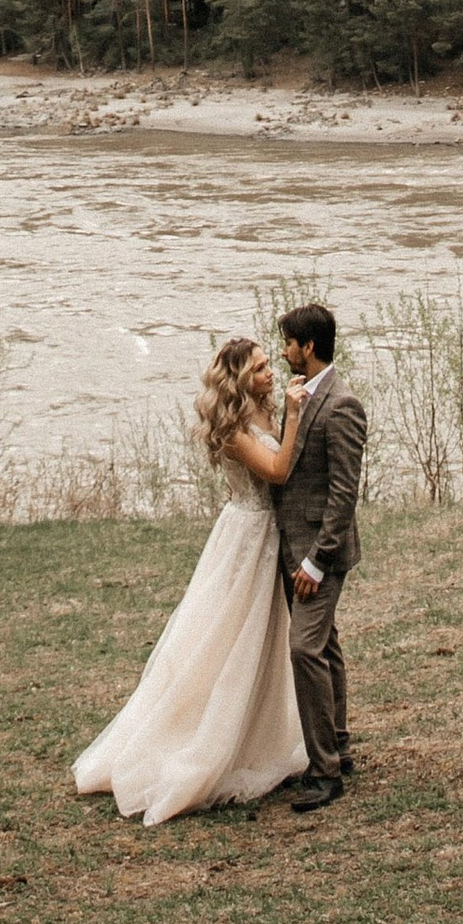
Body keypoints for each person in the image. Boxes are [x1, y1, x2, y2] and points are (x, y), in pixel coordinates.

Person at [71, 337, 312, 827]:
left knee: (264, 641)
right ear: (240, 378)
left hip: (268, 536)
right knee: (226, 640)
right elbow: (278, 470)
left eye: (270, 365)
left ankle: (256, 735)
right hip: (246, 538)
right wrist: (295, 414)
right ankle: (202, 746)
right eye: (262, 369)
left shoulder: (263, 414)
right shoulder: (232, 430)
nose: (270, 373)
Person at [269, 301, 366, 813]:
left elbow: (343, 494)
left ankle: (325, 772)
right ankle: (341, 747)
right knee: (325, 645)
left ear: (308, 346)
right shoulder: (302, 397)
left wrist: (315, 561)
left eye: (288, 342)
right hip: (292, 545)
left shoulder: (342, 404)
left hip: (319, 554)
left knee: (304, 649)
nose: (283, 350)